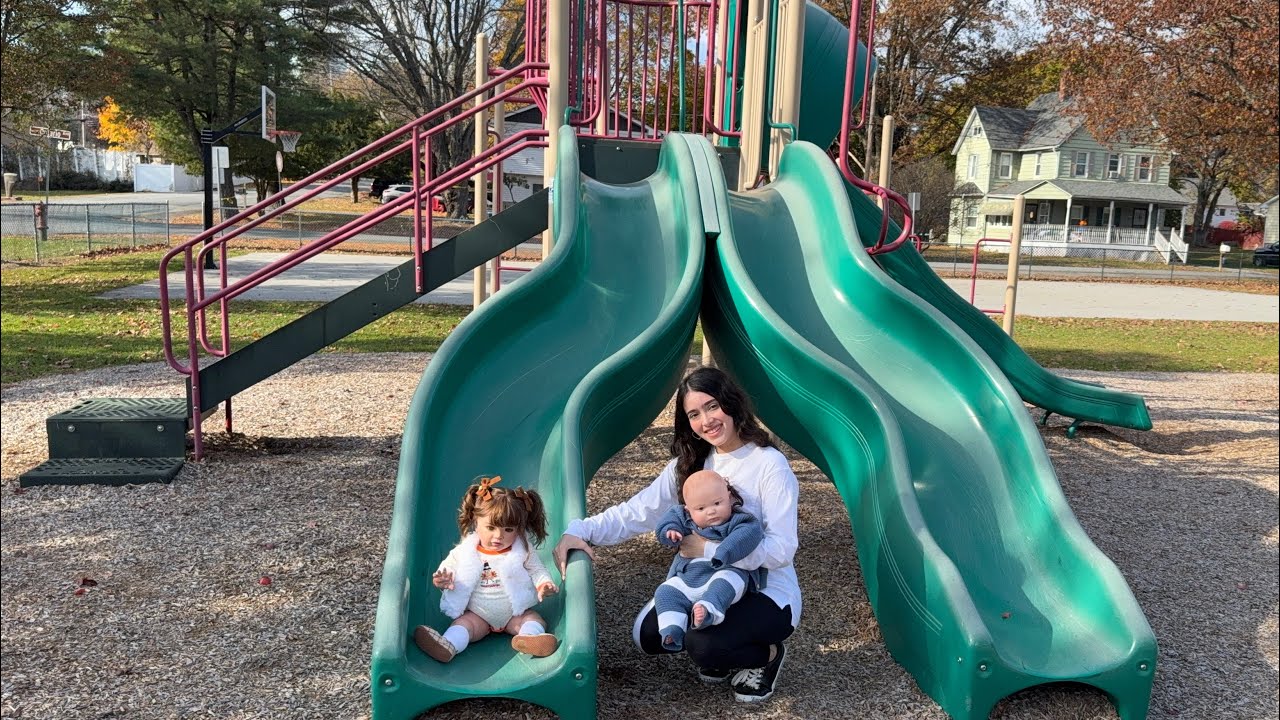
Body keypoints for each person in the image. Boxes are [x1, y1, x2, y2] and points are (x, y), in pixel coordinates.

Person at [554, 367, 800, 703]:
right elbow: (638, 511)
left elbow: (781, 549)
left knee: (704, 645)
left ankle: (767, 655)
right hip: (701, 580)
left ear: (732, 404)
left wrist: (708, 549)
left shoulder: (769, 464)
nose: (706, 420)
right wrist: (579, 530)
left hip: (765, 588)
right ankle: (724, 643)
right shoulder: (691, 464)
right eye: (694, 414)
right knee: (648, 636)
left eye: (712, 406)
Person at [414, 475, 560, 663]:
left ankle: (529, 638)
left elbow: (537, 570)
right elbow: (448, 567)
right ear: (476, 522)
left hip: (515, 615)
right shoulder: (465, 551)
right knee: (464, 624)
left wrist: (544, 584)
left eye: (509, 530)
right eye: (491, 527)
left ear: (518, 529)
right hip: (479, 615)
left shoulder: (522, 550)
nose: (499, 536)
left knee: (533, 619)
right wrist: (443, 579)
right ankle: (448, 645)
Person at [653, 468, 764, 651]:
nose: (711, 511)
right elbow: (667, 521)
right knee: (665, 592)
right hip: (688, 577)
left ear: (729, 497)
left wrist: (721, 552)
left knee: (725, 583)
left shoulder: (739, 521)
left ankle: (708, 611)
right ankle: (672, 629)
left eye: (717, 503)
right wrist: (670, 531)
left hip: (724, 570)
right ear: (688, 510)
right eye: (701, 508)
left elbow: (747, 536)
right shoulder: (684, 518)